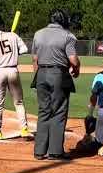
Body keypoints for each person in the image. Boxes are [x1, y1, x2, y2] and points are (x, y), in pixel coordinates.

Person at [31, 9, 81, 161]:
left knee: (44, 111)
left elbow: (35, 59)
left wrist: (38, 75)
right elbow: (72, 59)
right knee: (58, 112)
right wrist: (77, 67)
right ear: (64, 21)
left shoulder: (38, 34)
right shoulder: (68, 36)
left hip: (41, 74)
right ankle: (55, 152)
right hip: (58, 74)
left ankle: (39, 151)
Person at [0, 21, 31, 140]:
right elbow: (25, 49)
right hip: (13, 70)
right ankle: (24, 129)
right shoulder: (13, 35)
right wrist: (14, 53)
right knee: (18, 102)